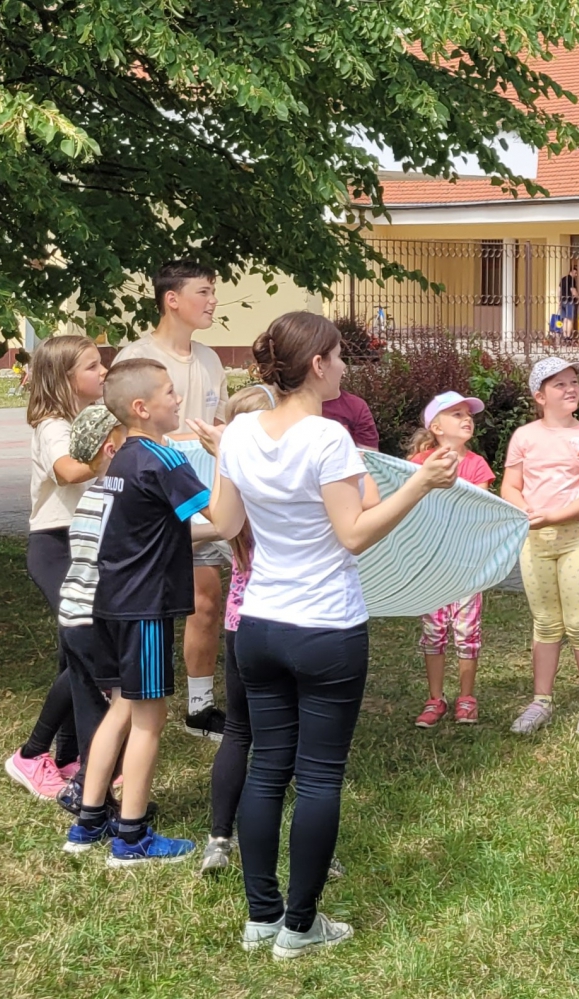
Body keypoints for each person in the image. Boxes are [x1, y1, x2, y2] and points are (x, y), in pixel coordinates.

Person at [192, 312, 459, 957]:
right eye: (338, 356)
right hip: (325, 629)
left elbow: (224, 522)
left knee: (266, 769)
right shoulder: (327, 435)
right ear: (316, 365)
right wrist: (421, 483)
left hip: (258, 625)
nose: (344, 366)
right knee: (317, 778)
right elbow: (355, 534)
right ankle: (300, 926)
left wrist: (216, 467)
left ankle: (262, 918)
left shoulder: (240, 432)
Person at [63, 359, 213, 865]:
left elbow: (171, 524)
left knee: (122, 708)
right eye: (170, 392)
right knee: (150, 718)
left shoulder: (123, 458)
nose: (178, 399)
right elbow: (219, 515)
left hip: (109, 603)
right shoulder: (163, 458)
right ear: (142, 407)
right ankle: (131, 837)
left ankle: (88, 822)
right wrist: (226, 457)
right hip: (144, 607)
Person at [114, 260, 230, 740]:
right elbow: (123, 434)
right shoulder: (136, 359)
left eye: (213, 291)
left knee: (207, 599)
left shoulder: (211, 359)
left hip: (202, 494)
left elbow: (220, 426)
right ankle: (126, 703)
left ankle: (200, 707)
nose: (213, 301)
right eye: (203, 292)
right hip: (156, 501)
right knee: (150, 606)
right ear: (172, 300)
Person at [5, 335, 108, 800]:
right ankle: (31, 755)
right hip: (56, 547)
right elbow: (67, 472)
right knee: (88, 648)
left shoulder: (93, 417)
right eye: (92, 366)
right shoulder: (53, 426)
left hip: (87, 544)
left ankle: (70, 756)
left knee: (76, 654)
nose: (103, 372)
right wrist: (114, 452)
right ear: (65, 379)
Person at [500, 358, 579, 735]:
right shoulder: (524, 437)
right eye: (559, 384)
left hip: (576, 538)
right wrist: (527, 511)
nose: (570, 389)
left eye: (573, 382)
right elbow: (510, 486)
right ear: (540, 396)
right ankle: (541, 701)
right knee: (545, 623)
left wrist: (553, 516)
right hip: (535, 541)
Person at [198, 384, 274, 875]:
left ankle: (219, 839)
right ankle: (299, 841)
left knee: (239, 733)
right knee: (287, 738)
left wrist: (220, 455)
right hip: (286, 618)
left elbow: (214, 518)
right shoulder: (282, 481)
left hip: (238, 620)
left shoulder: (228, 484)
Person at [50, 404, 126, 814]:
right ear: (111, 448)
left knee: (89, 708)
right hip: (95, 620)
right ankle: (85, 789)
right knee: (116, 711)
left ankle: (92, 792)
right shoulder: (116, 500)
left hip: (72, 616)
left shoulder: (91, 497)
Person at [408, 391, 497, 727]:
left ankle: (466, 698)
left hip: (466, 565)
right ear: (436, 426)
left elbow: (478, 510)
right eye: (456, 414)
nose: (467, 419)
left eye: (468, 414)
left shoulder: (477, 465)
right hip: (430, 565)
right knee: (433, 632)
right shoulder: (418, 464)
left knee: (467, 631)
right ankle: (435, 699)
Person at [559, 265, 579, 342]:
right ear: (571, 272)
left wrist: (559, 301)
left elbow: (559, 290)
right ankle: (568, 337)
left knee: (564, 319)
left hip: (562, 300)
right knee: (570, 319)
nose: (576, 275)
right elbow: (573, 291)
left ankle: (564, 336)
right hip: (569, 301)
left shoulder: (563, 279)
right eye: (575, 273)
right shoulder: (571, 279)